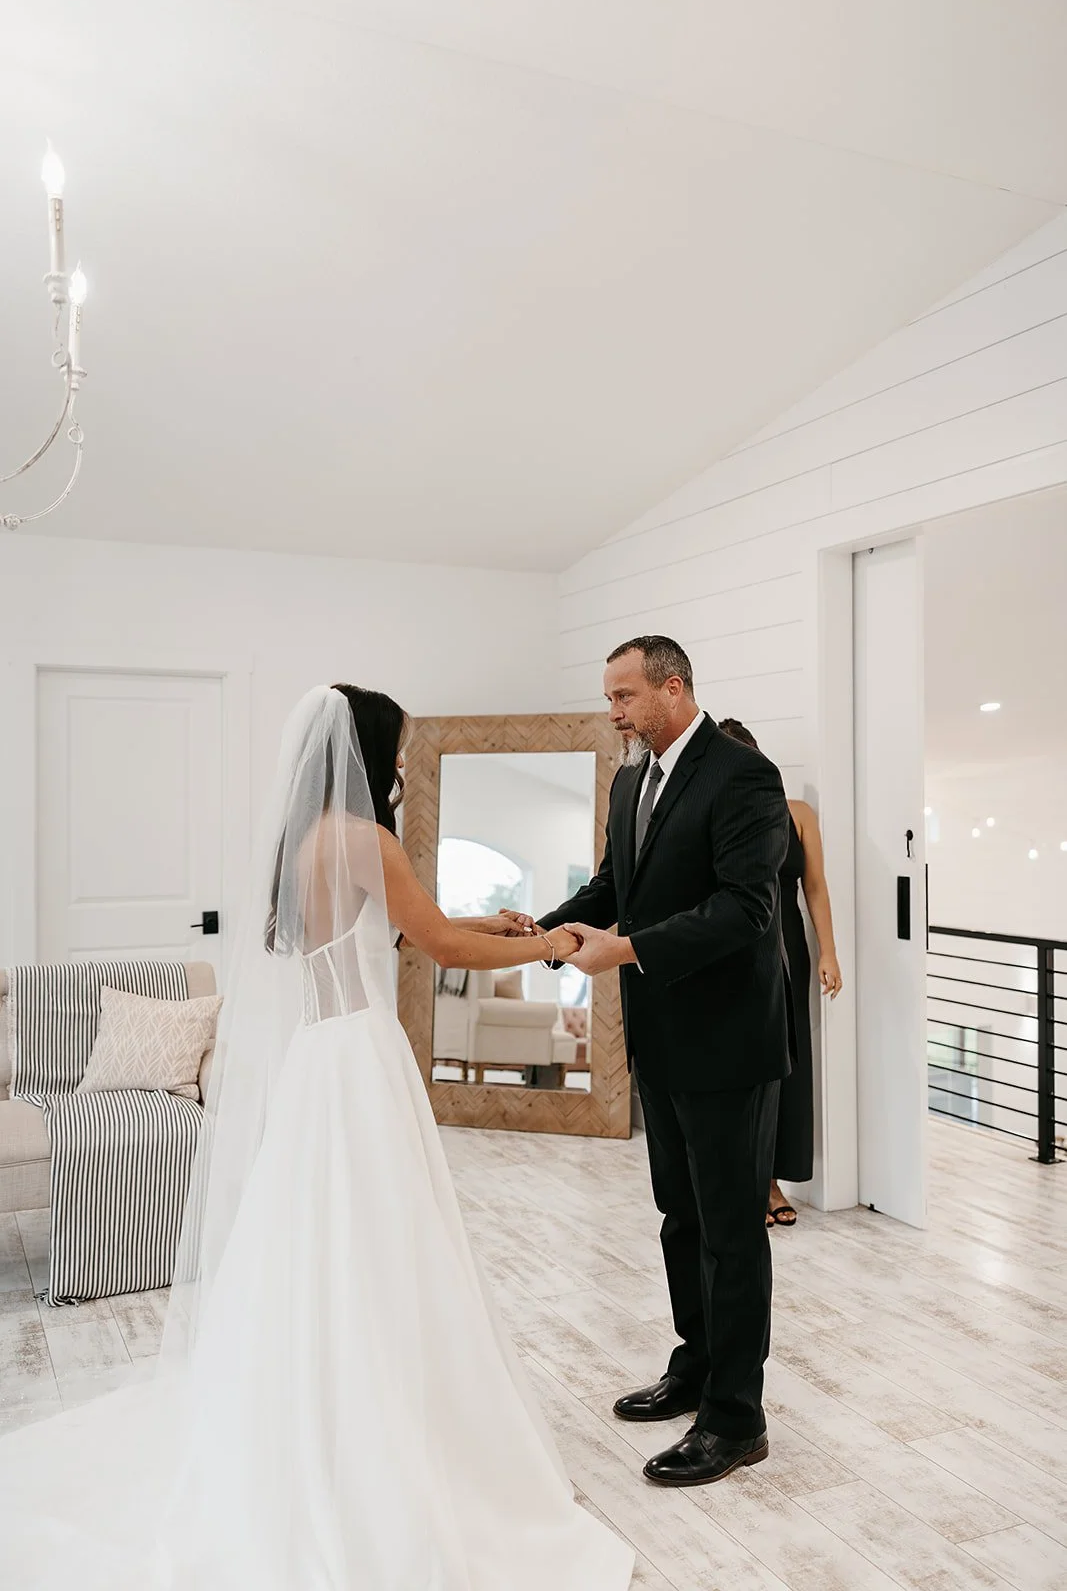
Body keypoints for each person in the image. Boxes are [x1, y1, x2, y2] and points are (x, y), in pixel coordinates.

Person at [0, 684, 634, 1591]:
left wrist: (489, 922)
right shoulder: (367, 837)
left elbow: (409, 931)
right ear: (368, 752)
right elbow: (441, 953)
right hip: (359, 1059)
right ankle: (377, 1427)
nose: (406, 766)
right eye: (400, 751)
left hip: (316, 1057)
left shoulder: (303, 842)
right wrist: (552, 946)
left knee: (316, 1242)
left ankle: (318, 1402)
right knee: (382, 1240)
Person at [520, 636, 792, 1489]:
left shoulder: (745, 775)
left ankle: (736, 1419)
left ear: (674, 689)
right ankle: (695, 1365)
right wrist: (544, 929)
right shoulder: (631, 779)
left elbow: (745, 909)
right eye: (611, 697)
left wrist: (629, 950)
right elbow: (614, 886)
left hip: (729, 1043)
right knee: (680, 1216)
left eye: (625, 696)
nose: (615, 712)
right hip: (662, 1041)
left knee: (731, 1233)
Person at [717, 718, 842, 1226]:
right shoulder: (717, 818)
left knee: (786, 1065)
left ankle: (770, 1184)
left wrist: (829, 952)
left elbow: (814, 887)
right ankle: (736, 1182)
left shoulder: (798, 815)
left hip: (789, 950)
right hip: (730, 953)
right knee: (736, 1070)